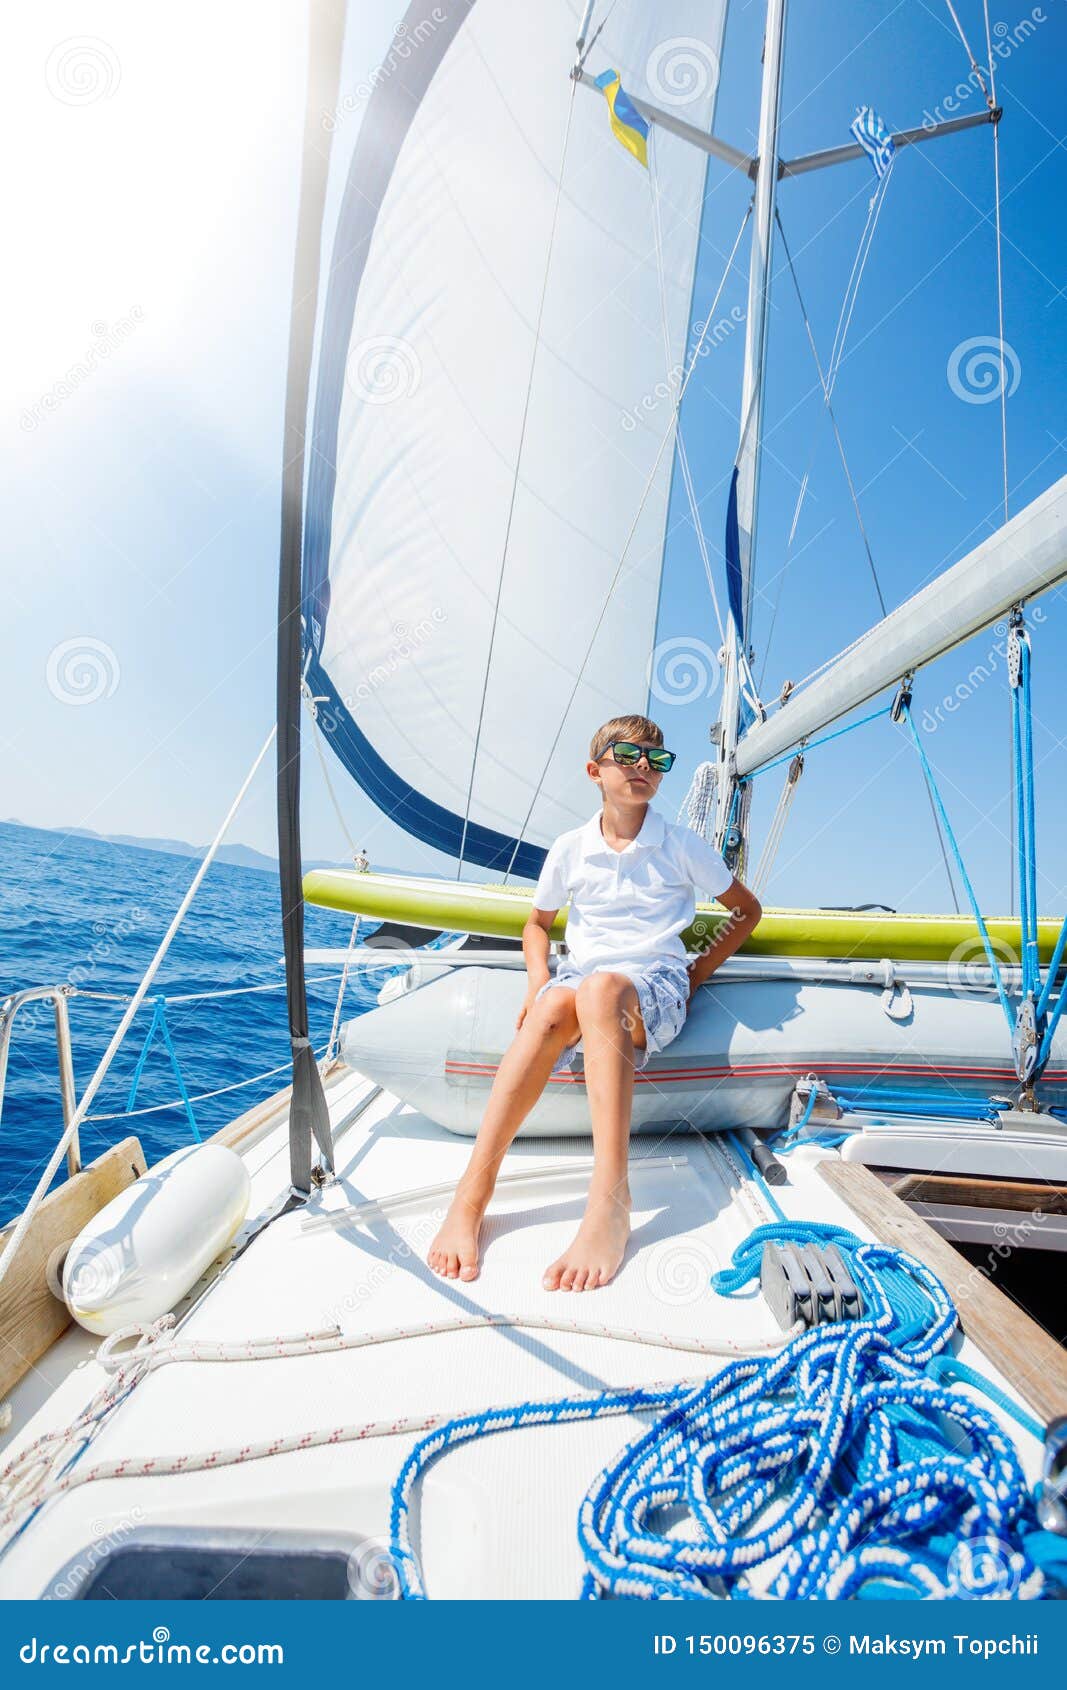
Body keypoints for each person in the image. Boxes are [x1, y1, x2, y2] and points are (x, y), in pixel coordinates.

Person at [427, 712, 763, 1292]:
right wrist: (537, 984)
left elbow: (746, 911)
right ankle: (472, 1193)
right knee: (561, 1003)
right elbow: (537, 925)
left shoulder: (681, 845)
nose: (643, 768)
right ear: (595, 770)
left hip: (648, 984)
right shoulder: (571, 848)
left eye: (657, 762)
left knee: (601, 989)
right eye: (628, 756)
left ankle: (610, 1202)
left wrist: (694, 976)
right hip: (581, 978)